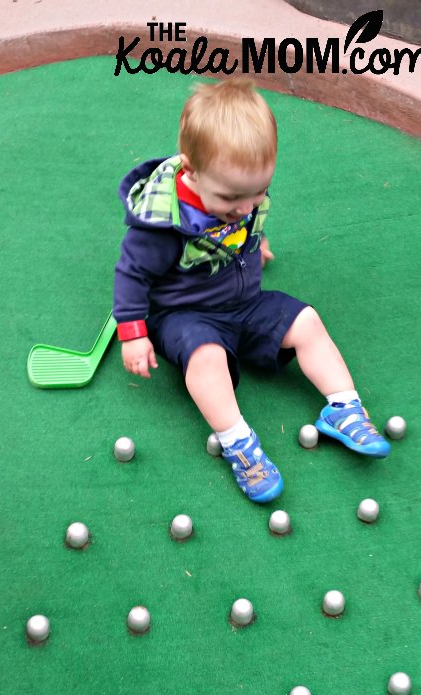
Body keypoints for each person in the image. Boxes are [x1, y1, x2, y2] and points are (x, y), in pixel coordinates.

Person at [112, 77, 390, 503]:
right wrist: (132, 332)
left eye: (257, 192)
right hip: (184, 318)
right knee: (206, 357)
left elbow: (245, 218)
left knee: (308, 321)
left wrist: (256, 242)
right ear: (190, 170)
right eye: (231, 198)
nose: (245, 207)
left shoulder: (239, 191)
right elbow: (131, 274)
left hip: (245, 304)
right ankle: (237, 441)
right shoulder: (162, 223)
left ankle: (343, 406)